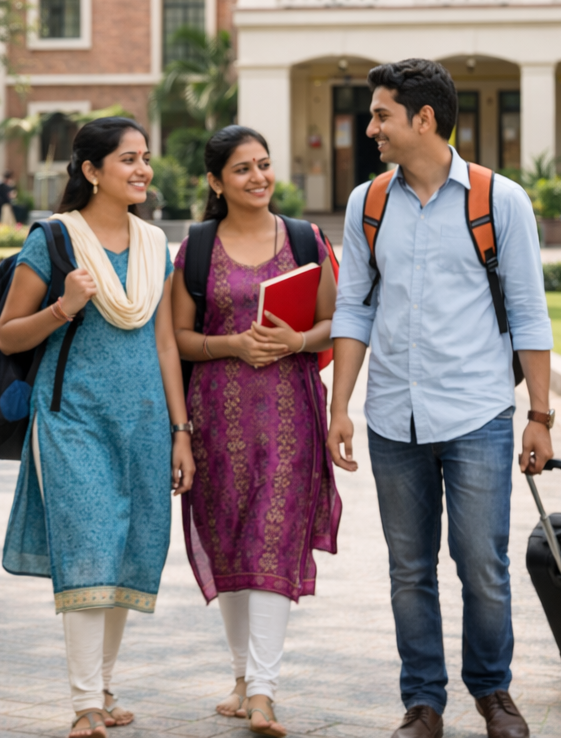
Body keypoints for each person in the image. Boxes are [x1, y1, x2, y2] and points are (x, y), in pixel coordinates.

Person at [328, 59, 553, 738]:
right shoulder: (366, 203)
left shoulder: (499, 200)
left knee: (482, 564)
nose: (371, 128)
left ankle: (493, 692)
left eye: (381, 115)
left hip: (478, 413)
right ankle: (423, 701)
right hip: (394, 416)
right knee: (408, 569)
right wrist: (340, 406)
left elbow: (530, 311)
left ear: (423, 119)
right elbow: (352, 310)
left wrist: (541, 415)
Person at [0, 117, 194, 738]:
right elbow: (9, 333)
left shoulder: (153, 244)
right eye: (128, 160)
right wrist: (64, 306)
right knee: (88, 548)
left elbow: (165, 344)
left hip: (142, 421)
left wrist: (180, 429)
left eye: (145, 159)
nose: (142, 170)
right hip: (71, 419)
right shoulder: (54, 242)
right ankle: (85, 703)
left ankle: (104, 688)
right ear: (91, 170)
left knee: (128, 550)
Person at [171, 126, 341, 738]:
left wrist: (295, 340)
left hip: (291, 417)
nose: (258, 178)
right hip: (215, 419)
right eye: (242, 169)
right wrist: (232, 344)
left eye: (264, 165)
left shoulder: (304, 239)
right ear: (216, 182)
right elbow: (179, 338)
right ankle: (242, 678)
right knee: (231, 546)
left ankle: (265, 691)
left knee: (271, 545)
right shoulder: (194, 248)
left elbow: (336, 320)